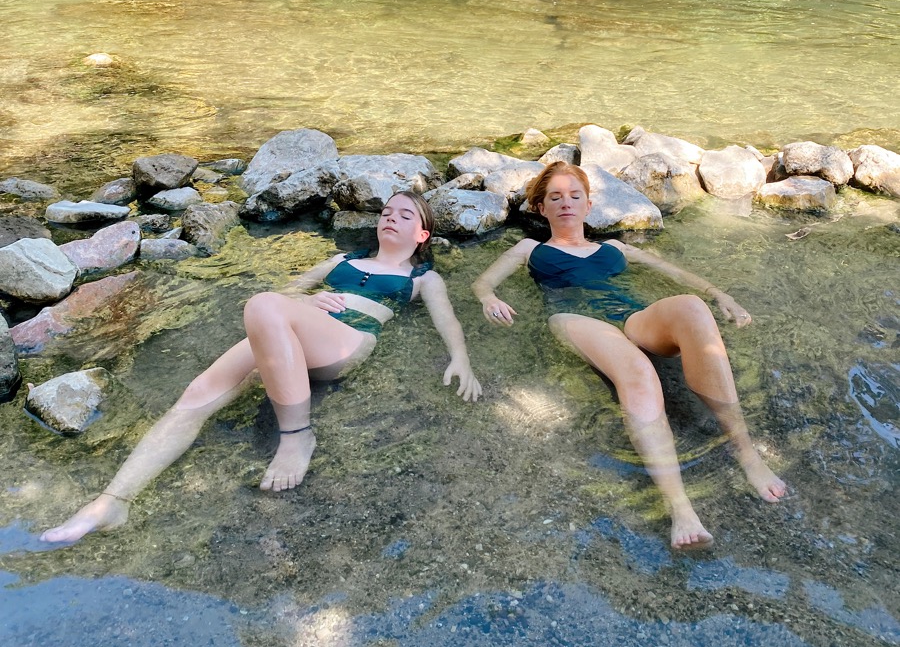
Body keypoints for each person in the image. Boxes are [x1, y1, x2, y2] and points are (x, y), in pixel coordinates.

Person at [42, 191, 481, 545]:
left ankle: (296, 434)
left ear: (421, 235)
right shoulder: (341, 262)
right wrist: (306, 300)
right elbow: (290, 290)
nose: (390, 217)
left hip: (345, 340)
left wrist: (459, 358)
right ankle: (111, 501)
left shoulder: (421, 279)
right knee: (194, 399)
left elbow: (449, 321)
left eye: (404, 215)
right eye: (386, 211)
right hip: (287, 335)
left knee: (264, 305)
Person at [472, 161, 786, 549]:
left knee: (690, 306)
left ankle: (747, 453)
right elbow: (484, 282)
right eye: (555, 197)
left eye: (575, 196)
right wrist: (489, 298)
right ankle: (680, 506)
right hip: (574, 317)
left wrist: (721, 295)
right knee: (637, 369)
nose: (566, 203)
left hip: (630, 315)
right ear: (541, 208)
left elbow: (674, 273)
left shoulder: (616, 247)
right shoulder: (528, 248)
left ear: (589, 205)